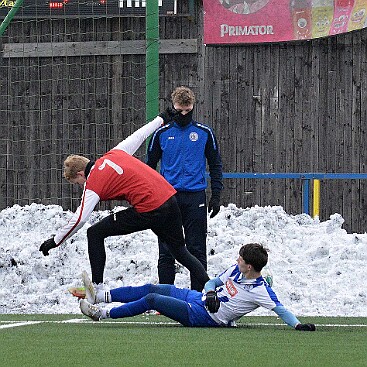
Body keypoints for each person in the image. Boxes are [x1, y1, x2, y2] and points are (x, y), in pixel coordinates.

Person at [39, 116, 210, 289]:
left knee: (94, 233)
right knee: (181, 251)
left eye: (77, 183)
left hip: (149, 209)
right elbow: (139, 135)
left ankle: (97, 288)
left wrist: (55, 241)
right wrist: (162, 118)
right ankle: (211, 289)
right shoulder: (115, 153)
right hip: (170, 199)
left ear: (80, 174)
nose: (80, 185)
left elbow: (80, 219)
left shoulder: (93, 182)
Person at [79, 243, 316, 331]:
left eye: (241, 260)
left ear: (250, 266)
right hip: (198, 298)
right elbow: (212, 281)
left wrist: (298, 325)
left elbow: (280, 309)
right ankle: (101, 295)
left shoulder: (261, 290)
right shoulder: (236, 271)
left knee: (153, 299)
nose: (237, 261)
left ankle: (102, 314)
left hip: (205, 316)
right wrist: (211, 291)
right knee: (157, 287)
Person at [146, 86, 223, 291]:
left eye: (188, 111)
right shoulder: (161, 133)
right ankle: (166, 297)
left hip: (195, 197)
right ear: (173, 108)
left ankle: (198, 297)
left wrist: (216, 195)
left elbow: (215, 164)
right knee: (166, 250)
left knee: (197, 249)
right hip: (167, 198)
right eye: (180, 111)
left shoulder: (204, 133)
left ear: (193, 107)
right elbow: (148, 167)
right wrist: (150, 197)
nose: (184, 115)